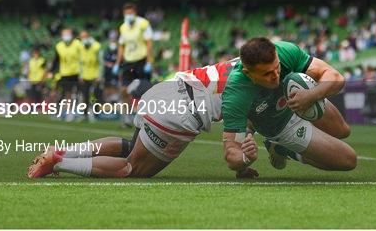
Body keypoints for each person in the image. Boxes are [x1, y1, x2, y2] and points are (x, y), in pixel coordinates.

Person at [27, 58, 258, 179]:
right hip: (182, 113)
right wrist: (242, 165)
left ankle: (63, 151)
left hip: (166, 89)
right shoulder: (263, 86)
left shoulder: (248, 60)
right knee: (132, 168)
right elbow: (240, 137)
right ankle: (59, 161)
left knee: (129, 147)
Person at [221, 38, 356, 174]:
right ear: (247, 73)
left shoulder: (284, 51)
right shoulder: (235, 93)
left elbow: (336, 78)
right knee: (349, 160)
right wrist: (245, 159)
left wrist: (311, 95)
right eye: (267, 73)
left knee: (343, 131)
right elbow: (231, 152)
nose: (275, 76)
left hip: (300, 95)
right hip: (279, 125)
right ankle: (283, 149)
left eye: (277, 67)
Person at [113, 3, 153, 127]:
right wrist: (117, 63)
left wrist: (149, 61)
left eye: (131, 13)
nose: (129, 15)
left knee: (145, 92)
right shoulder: (123, 27)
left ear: (135, 13)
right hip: (128, 62)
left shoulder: (143, 24)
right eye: (126, 13)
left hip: (141, 61)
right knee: (124, 90)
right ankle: (127, 119)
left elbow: (149, 43)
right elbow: (121, 45)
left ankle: (147, 119)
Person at [50, 28, 82, 121]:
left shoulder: (78, 44)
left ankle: (80, 113)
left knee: (78, 94)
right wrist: (52, 71)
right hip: (65, 73)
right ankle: (69, 113)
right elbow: (56, 60)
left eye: (67, 34)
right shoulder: (59, 46)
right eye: (64, 34)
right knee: (67, 94)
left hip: (77, 73)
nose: (66, 36)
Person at [79, 30, 101, 122]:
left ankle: (95, 114)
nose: (83, 39)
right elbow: (79, 63)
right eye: (82, 37)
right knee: (85, 96)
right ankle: (85, 115)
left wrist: (98, 75)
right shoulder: (81, 47)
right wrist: (80, 75)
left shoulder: (95, 46)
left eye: (85, 37)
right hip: (84, 76)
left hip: (94, 75)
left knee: (95, 96)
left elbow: (100, 62)